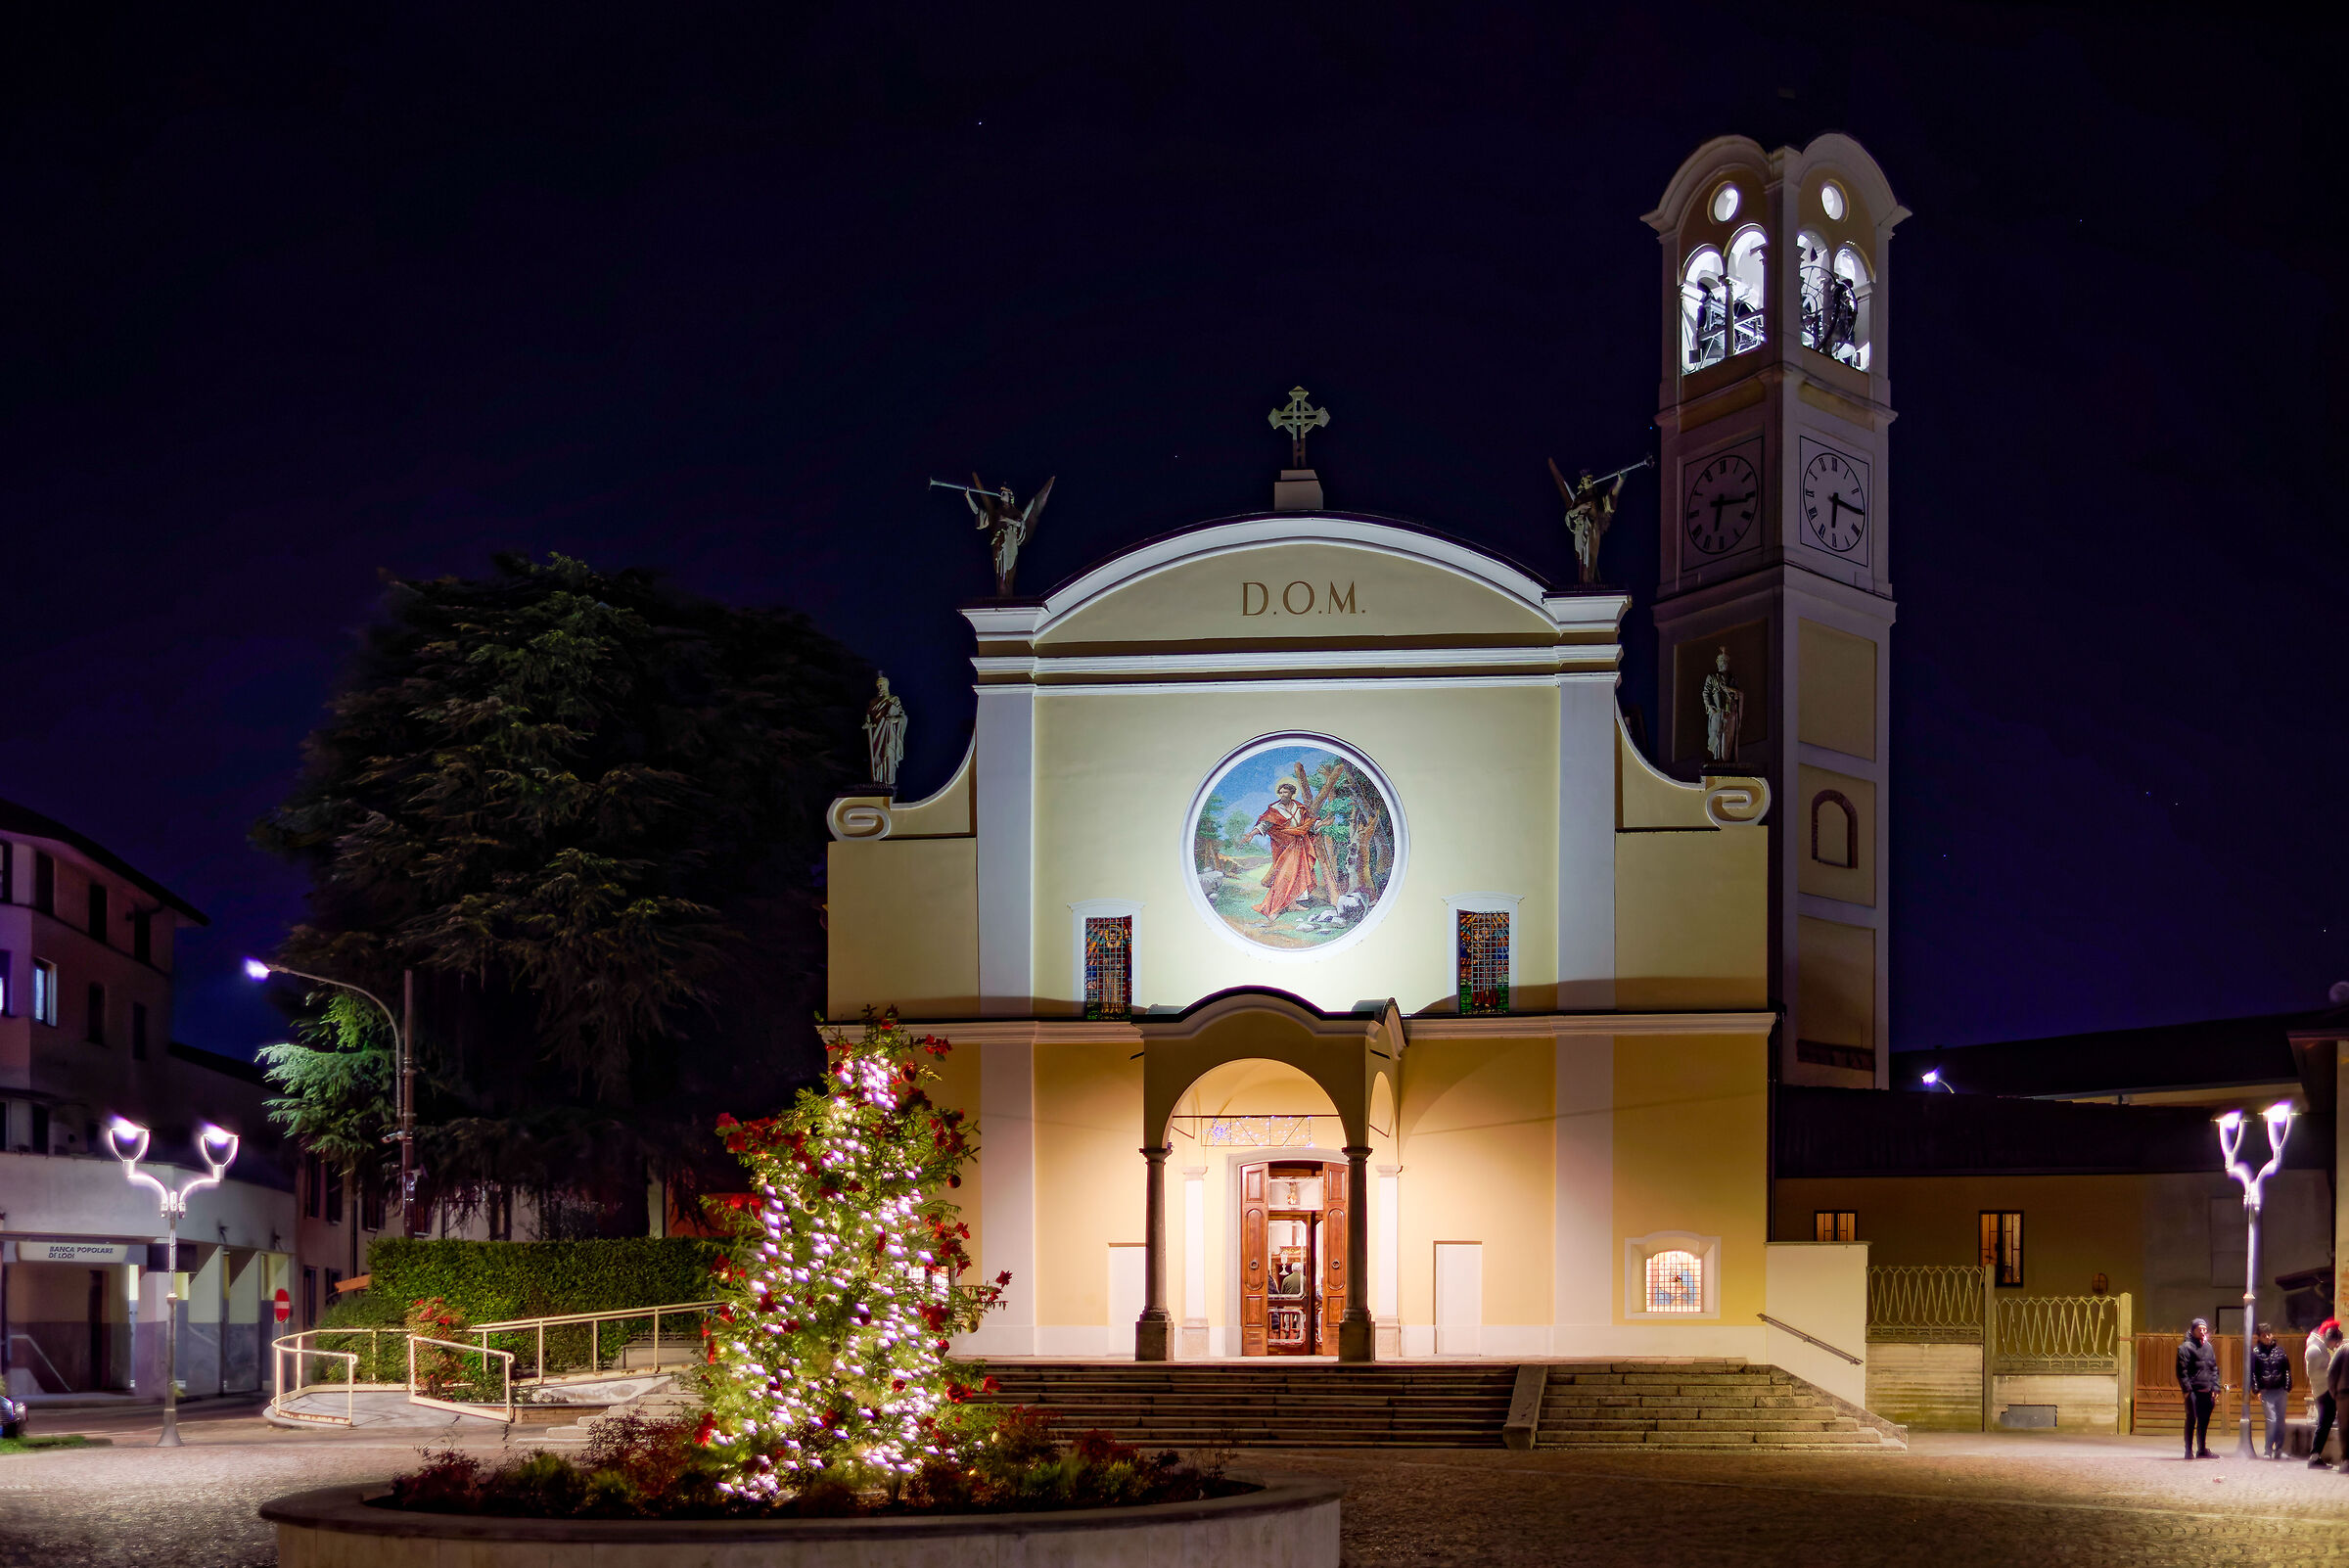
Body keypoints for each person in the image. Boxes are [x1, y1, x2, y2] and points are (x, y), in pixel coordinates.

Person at [2176, 1317, 2220, 1459]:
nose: (2202, 1331)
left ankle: (2201, 1450)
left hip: (2207, 1390)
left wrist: (2215, 1387)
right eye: (2199, 1329)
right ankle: (2188, 1450)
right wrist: (2187, 1390)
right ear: (2193, 1330)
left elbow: (2214, 1368)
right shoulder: (2185, 1348)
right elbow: (2182, 1371)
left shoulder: (2208, 1347)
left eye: (2204, 1329)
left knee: (2204, 1420)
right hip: (2193, 1391)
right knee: (2191, 1419)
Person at [2250, 1323, 2292, 1458]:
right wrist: (2257, 1390)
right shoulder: (2255, 1352)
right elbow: (2253, 1373)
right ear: (2259, 1337)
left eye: (2269, 1334)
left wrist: (2287, 1386)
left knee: (2280, 1420)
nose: (2267, 1337)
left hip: (2280, 1389)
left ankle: (2279, 1448)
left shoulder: (2280, 1350)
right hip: (2266, 1391)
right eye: (2264, 1335)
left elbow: (2287, 1369)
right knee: (2271, 1420)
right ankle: (2268, 1449)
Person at [2310, 1320, 2341, 1469]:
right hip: (2323, 1391)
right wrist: (2331, 1373)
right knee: (2323, 1424)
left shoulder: (2320, 1348)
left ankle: (2315, 1456)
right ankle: (2314, 1456)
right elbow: (2313, 1374)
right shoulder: (2315, 1350)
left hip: (2325, 1389)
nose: (2335, 1346)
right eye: (2335, 1342)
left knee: (2325, 1423)